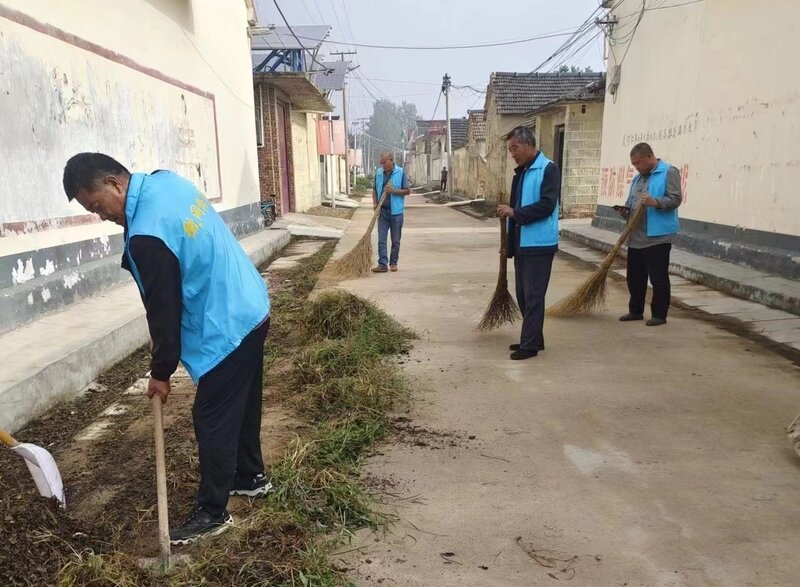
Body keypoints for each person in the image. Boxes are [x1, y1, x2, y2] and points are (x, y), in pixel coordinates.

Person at [63, 153, 272, 545]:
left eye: (96, 205)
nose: (100, 216)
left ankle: (212, 512)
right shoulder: (165, 182)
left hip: (224, 324)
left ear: (114, 184)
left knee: (212, 416)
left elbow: (164, 309)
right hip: (250, 303)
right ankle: (251, 477)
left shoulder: (146, 234)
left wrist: (160, 373)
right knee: (242, 403)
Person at [497, 127, 560, 360]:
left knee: (533, 296)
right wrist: (509, 218)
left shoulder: (548, 169)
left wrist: (515, 212)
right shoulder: (522, 172)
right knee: (523, 296)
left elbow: (547, 205)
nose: (512, 153)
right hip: (522, 242)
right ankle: (534, 338)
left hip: (539, 244)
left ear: (528, 144)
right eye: (510, 150)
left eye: (514, 148)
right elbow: (518, 206)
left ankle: (530, 345)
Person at [617, 143, 682, 326]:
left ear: (649, 157)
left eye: (638, 163)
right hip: (636, 235)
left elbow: (676, 199)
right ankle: (635, 310)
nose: (636, 167)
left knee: (658, 277)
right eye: (634, 164)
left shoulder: (669, 172)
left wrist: (656, 202)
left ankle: (659, 315)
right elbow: (632, 201)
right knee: (634, 277)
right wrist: (625, 210)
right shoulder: (638, 178)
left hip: (657, 236)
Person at [372, 151, 411, 273]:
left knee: (396, 240)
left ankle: (393, 263)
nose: (382, 165)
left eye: (384, 162)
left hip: (396, 213)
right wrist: (375, 203)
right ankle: (382, 264)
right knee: (381, 239)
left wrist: (393, 190)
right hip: (382, 211)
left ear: (391, 160)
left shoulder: (400, 172)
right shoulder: (378, 173)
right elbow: (374, 190)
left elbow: (407, 191)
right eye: (381, 163)